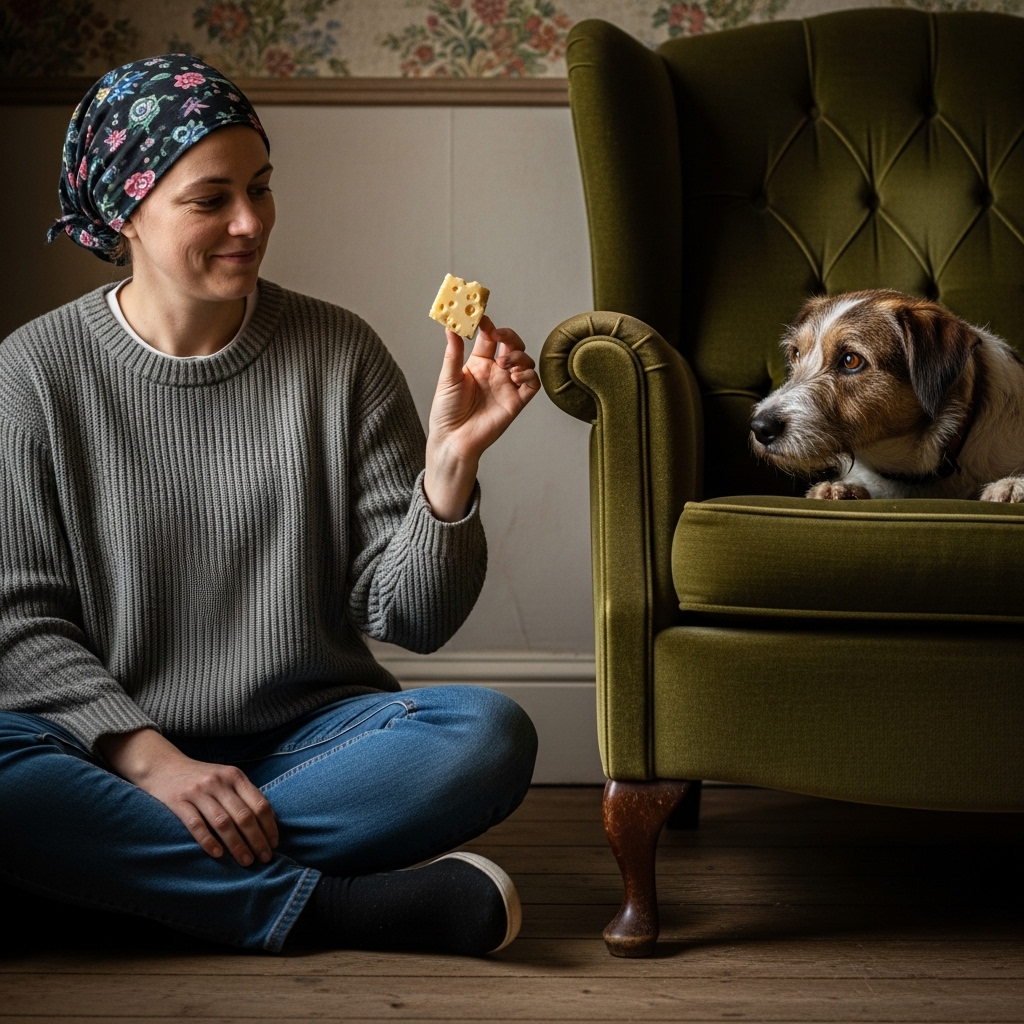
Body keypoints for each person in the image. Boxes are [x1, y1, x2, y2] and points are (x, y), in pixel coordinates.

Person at [0, 55, 540, 955]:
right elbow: (17, 623)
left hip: (309, 750)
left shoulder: (340, 354)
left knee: (486, 735)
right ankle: (333, 910)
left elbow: (412, 618)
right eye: (210, 200)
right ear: (124, 211)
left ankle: (101, 885)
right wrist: (151, 760)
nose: (250, 223)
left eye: (260, 188)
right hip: (107, 755)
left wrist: (449, 467)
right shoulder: (32, 375)